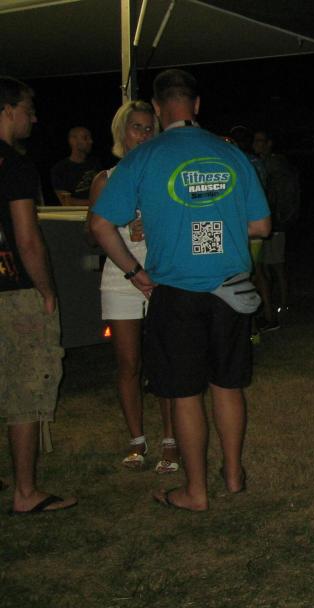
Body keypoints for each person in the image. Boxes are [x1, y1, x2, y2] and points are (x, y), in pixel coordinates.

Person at [90, 69, 270, 511]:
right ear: (197, 105)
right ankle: (232, 475)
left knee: (186, 393)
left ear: (157, 108)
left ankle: (195, 491)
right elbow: (261, 225)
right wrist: (213, 229)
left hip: (176, 292)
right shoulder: (229, 153)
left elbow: (100, 224)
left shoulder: (145, 157)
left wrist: (134, 272)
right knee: (228, 386)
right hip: (230, 290)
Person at [87, 100, 179, 473]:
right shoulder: (106, 179)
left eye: (148, 127)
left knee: (166, 362)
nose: (143, 134)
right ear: (121, 132)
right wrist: (123, 225)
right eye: (136, 127)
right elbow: (92, 235)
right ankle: (136, 441)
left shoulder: (164, 175)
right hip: (121, 278)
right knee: (128, 363)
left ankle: (171, 441)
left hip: (160, 276)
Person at [0, 75, 77, 514]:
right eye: (28, 110)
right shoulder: (15, 166)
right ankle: (25, 492)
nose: (34, 118)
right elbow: (27, 239)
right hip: (14, 292)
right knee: (25, 389)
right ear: (8, 110)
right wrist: (46, 290)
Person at [252, 130, 298, 331]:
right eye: (255, 140)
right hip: (269, 222)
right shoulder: (262, 163)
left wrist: (277, 219)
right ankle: (272, 305)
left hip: (275, 223)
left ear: (269, 143)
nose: (256, 144)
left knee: (276, 267)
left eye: (260, 140)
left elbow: (279, 195)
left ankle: (282, 305)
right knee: (265, 267)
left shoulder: (275, 164)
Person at [50, 126, 101, 205]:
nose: (90, 141)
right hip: (77, 212)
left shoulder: (95, 163)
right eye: (85, 138)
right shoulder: (60, 169)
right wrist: (94, 203)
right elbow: (66, 201)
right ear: (73, 141)